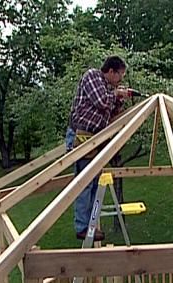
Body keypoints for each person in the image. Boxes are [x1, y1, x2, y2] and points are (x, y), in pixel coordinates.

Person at [66, 55, 130, 241]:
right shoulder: (92, 76)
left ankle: (90, 227)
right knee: (84, 182)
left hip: (94, 138)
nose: (120, 80)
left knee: (94, 183)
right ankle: (82, 227)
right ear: (111, 71)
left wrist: (119, 100)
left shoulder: (108, 89)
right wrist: (116, 94)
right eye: (120, 75)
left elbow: (111, 113)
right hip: (81, 136)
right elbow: (101, 102)